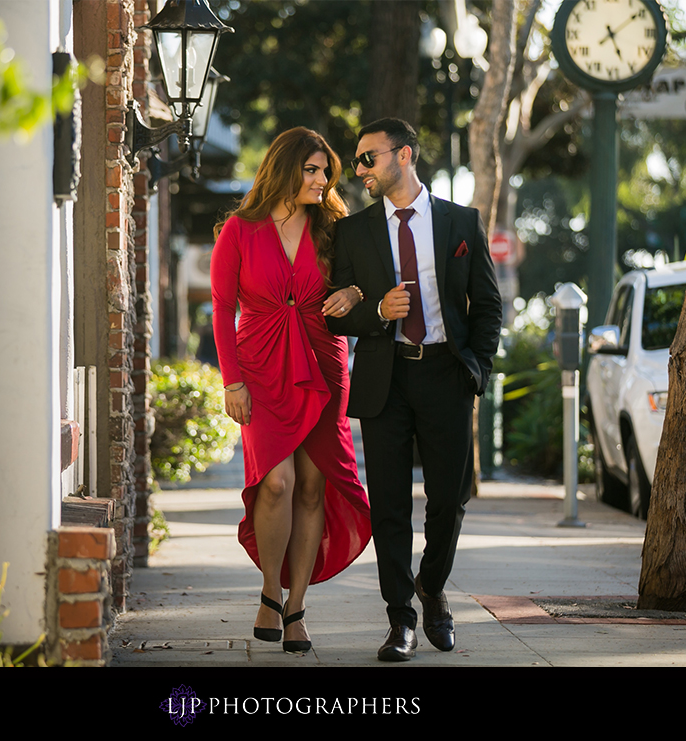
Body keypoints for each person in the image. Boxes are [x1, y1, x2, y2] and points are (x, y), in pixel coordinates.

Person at [325, 118, 502, 662]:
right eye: (357, 160)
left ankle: (431, 584)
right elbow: (335, 314)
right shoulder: (353, 233)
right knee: (390, 506)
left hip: (446, 375)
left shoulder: (460, 222)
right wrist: (376, 312)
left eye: (368, 158)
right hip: (386, 379)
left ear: (403, 156)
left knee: (450, 498)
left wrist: (478, 367)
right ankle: (400, 617)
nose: (359, 170)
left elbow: (488, 305)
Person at [211, 127, 372, 654]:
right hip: (259, 366)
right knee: (274, 482)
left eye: (326, 171)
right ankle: (269, 593)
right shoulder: (238, 230)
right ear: (283, 169)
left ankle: (297, 608)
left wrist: (351, 290)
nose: (322, 179)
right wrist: (231, 380)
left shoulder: (335, 226)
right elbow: (220, 310)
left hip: (323, 363)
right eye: (311, 169)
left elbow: (368, 277)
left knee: (310, 484)